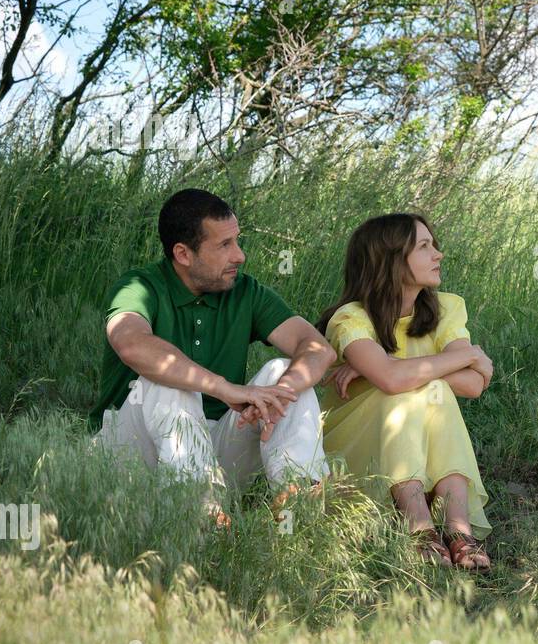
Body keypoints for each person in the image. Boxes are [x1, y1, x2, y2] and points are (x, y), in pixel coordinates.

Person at [89, 189, 335, 527]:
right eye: (224, 246)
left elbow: (317, 348)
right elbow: (131, 343)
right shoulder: (139, 286)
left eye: (237, 241)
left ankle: (296, 500)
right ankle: (197, 508)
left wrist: (282, 392)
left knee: (284, 372)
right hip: (132, 454)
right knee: (165, 379)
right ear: (183, 254)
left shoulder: (244, 291)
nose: (240, 256)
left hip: (216, 452)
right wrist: (224, 388)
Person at [316, 213, 494, 572]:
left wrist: (385, 369)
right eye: (424, 246)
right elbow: (397, 383)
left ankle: (457, 528)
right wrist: (468, 356)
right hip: (353, 448)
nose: (438, 254)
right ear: (391, 260)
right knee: (409, 391)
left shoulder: (446, 308)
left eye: (434, 244)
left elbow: (473, 385)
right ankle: (418, 526)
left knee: (432, 390)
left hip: (418, 446)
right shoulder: (350, 318)